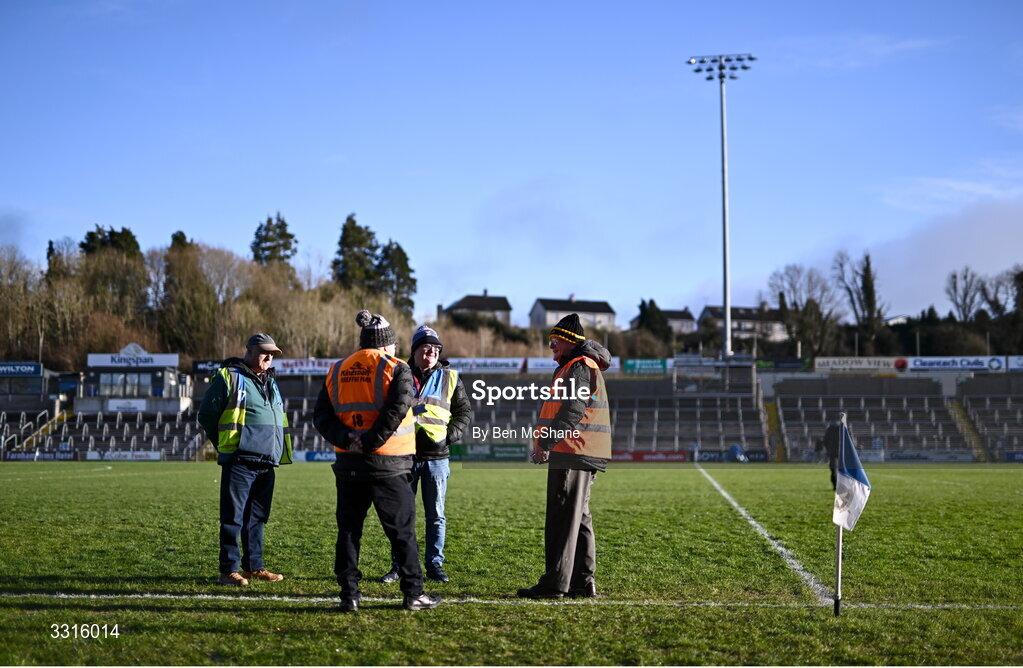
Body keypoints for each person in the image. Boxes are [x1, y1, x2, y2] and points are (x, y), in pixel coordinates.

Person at [313, 310, 441, 612]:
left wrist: (348, 439)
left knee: (348, 531)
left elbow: (321, 416)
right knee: (402, 531)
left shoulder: (337, 369)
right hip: (389, 463)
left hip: (348, 463)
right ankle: (413, 593)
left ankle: (349, 596)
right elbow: (396, 410)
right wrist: (371, 442)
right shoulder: (396, 368)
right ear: (386, 344)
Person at [518, 313, 612, 599]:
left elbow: (572, 410)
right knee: (578, 517)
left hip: (572, 450)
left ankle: (555, 583)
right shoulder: (579, 365)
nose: (550, 347)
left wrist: (545, 443)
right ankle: (583, 582)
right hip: (583, 450)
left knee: (562, 516)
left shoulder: (578, 366)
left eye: (554, 341)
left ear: (569, 341)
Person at [379, 325, 473, 584]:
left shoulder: (450, 377)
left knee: (436, 516)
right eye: (426, 347)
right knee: (402, 515)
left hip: (437, 458)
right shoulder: (401, 373)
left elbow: (463, 412)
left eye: (436, 349)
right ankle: (398, 566)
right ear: (415, 350)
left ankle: (434, 565)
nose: (431, 352)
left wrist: (450, 436)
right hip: (404, 455)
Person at [198, 333, 293, 587]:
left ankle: (254, 567)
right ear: (249, 350)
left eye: (273, 353)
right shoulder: (229, 377)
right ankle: (228, 570)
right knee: (233, 517)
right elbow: (207, 413)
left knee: (257, 518)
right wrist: (224, 445)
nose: (269, 356)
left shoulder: (270, 381)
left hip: (267, 462)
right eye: (264, 351)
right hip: (240, 460)